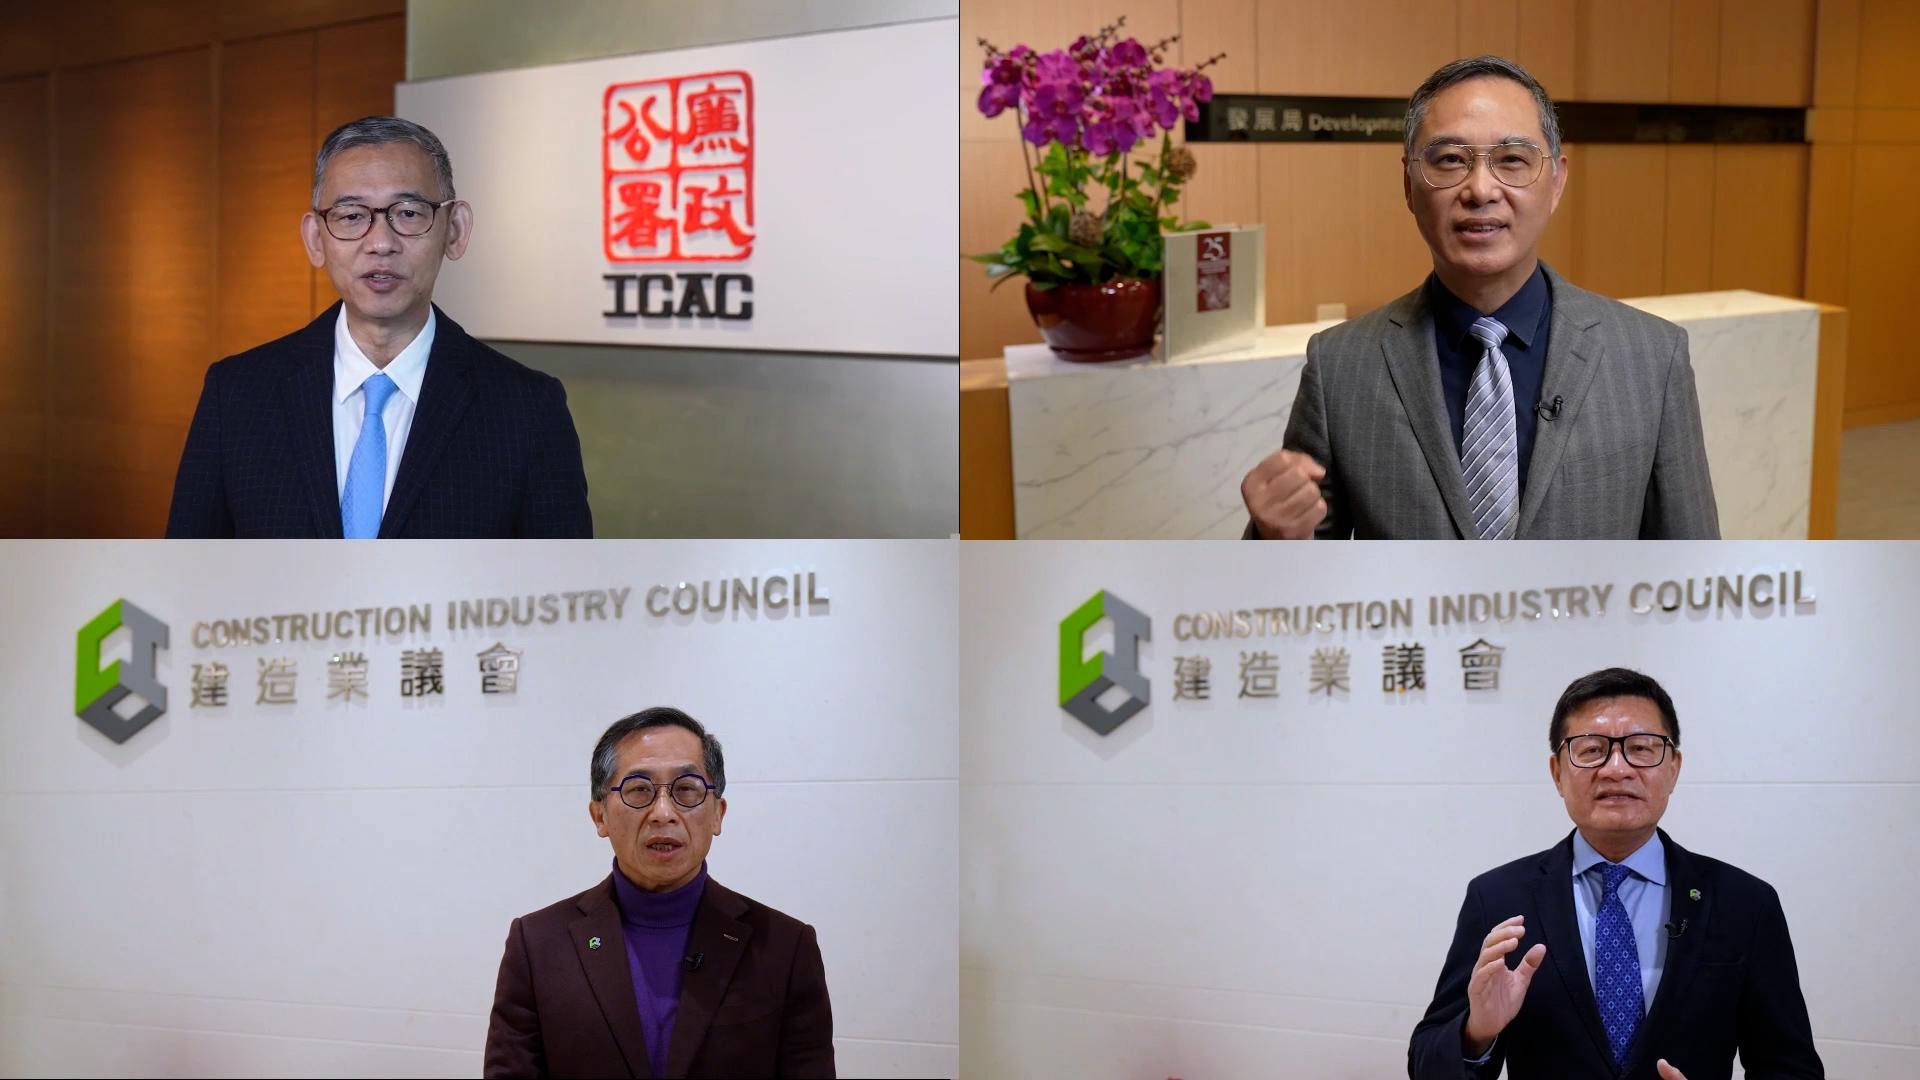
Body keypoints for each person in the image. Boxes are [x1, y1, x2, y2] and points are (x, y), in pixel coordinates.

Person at [1241, 56, 1718, 539]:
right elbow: (1296, 588)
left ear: (1556, 181)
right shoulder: (1340, 367)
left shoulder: (1652, 357)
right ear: (1408, 184)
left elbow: (1694, 577)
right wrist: (1271, 537)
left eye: (1512, 159)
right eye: (1450, 159)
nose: (1481, 189)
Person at [166, 116, 592, 538]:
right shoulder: (238, 394)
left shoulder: (528, 409)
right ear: (316, 239)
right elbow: (183, 583)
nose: (381, 242)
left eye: (408, 212)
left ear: (455, 231)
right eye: (351, 216)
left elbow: (564, 595)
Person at [1408, 669, 1822, 1079]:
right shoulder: (1497, 897)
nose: (1616, 768)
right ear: (1557, 773)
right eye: (1591, 750)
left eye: (1641, 748)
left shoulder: (1744, 903)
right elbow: (1425, 1061)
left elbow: (1790, 1067)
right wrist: (1477, 1032)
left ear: (1674, 768)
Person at [484, 707, 834, 1078]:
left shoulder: (785, 947)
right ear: (599, 816)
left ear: (717, 813)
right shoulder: (538, 944)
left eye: (686, 790)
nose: (663, 813)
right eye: (639, 790)